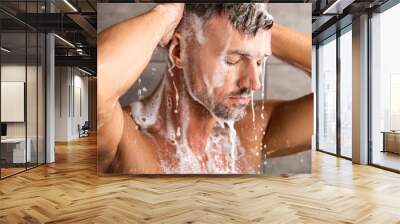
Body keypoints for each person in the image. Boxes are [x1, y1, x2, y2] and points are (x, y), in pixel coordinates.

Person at [98, 3, 313, 174]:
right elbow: (99, 81)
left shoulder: (251, 131)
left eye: (259, 62)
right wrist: (166, 14)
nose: (254, 83)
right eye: (233, 59)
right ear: (179, 52)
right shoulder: (127, 140)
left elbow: (343, 97)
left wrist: (261, 27)